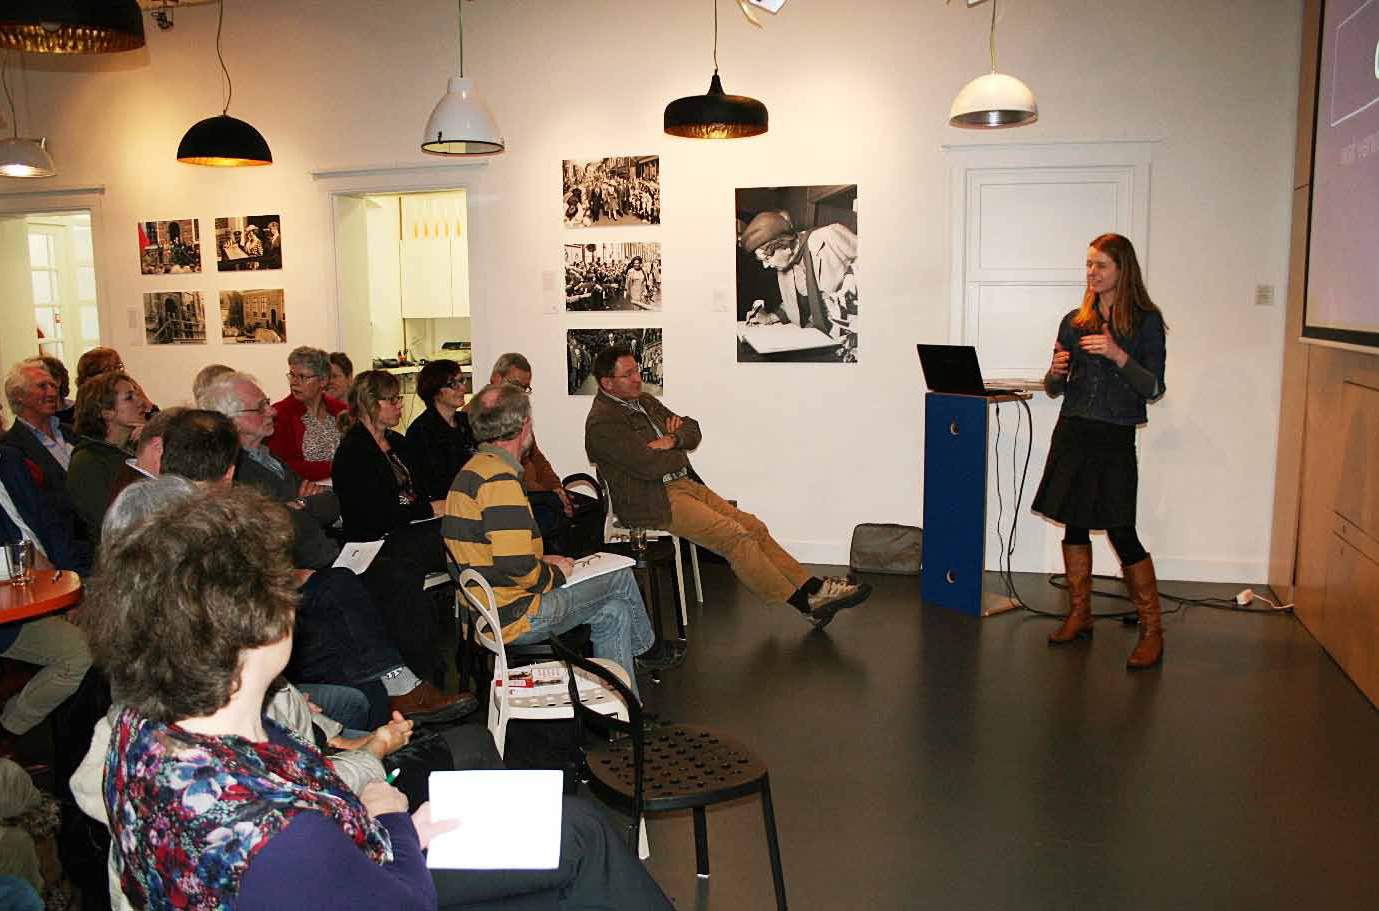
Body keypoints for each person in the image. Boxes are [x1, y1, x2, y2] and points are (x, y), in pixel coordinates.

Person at [88, 485, 673, 911]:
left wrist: (367, 816)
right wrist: (392, 823)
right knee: (580, 834)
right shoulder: (279, 832)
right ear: (259, 621)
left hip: (350, 858)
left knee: (565, 841)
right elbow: (399, 899)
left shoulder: (139, 734)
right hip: (382, 872)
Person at [198, 372, 471, 721]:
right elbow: (291, 523)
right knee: (396, 572)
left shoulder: (268, 460)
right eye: (261, 406)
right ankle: (409, 685)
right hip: (320, 560)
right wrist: (299, 507)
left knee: (409, 563)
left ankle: (416, 683)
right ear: (234, 420)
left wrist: (298, 506)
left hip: (335, 551)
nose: (273, 411)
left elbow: (329, 505)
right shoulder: (238, 471)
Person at [586, 344, 871, 629]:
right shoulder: (603, 424)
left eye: (636, 370)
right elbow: (647, 464)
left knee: (754, 526)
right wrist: (676, 448)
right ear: (607, 382)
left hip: (683, 484)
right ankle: (806, 605)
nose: (637, 377)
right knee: (734, 536)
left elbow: (692, 430)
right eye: (628, 374)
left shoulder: (646, 402)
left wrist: (672, 440)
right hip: (652, 500)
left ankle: (814, 588)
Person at [446, 384, 675, 696]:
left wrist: (542, 561)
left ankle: (621, 710)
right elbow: (516, 567)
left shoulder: (472, 471)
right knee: (619, 576)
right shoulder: (500, 482)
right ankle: (649, 650)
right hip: (518, 615)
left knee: (616, 611)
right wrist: (555, 574)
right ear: (524, 424)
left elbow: (492, 553)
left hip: (488, 610)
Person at [1034, 233, 1169, 669]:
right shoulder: (1074, 322)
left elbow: (1154, 388)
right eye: (1089, 264)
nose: (1091, 272)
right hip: (1074, 430)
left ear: (1121, 270)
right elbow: (1055, 388)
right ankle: (1080, 613)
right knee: (1074, 523)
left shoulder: (1146, 322)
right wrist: (1053, 373)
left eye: (1101, 266)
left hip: (1114, 435)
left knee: (1119, 528)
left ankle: (1152, 630)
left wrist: (1116, 353)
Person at [0, 397, 92, 765]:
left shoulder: (8, 460)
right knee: (79, 654)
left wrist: (72, 583)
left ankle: (76, 746)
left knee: (108, 635)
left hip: (43, 586)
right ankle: (11, 731)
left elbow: (48, 523)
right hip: (15, 608)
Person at [490, 353, 601, 555]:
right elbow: (504, 475)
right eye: (515, 385)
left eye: (524, 388)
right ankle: (558, 572)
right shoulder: (482, 419)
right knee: (557, 513)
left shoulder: (517, 416)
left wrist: (556, 487)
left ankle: (584, 573)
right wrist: (548, 492)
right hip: (516, 495)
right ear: (496, 379)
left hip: (538, 492)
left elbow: (538, 459)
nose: (520, 393)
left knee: (592, 509)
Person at [739, 209, 859, 360]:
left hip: (852, 341)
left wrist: (851, 276)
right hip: (821, 343)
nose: (765, 266)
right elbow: (797, 302)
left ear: (784, 245)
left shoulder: (830, 236)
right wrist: (770, 317)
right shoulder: (785, 265)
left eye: (766, 258)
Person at [65, 371, 149, 542]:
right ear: (106, 412)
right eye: (129, 397)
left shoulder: (132, 448)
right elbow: (110, 524)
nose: (142, 403)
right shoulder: (87, 461)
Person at [266, 346, 347, 481]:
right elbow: (279, 465)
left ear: (323, 380)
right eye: (292, 375)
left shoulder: (340, 410)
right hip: (305, 490)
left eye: (303, 377)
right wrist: (334, 467)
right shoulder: (279, 414)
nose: (294, 382)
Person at [406, 359, 476, 502]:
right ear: (435, 391)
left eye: (462, 381)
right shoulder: (420, 431)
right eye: (453, 384)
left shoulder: (467, 421)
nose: (462, 388)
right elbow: (431, 484)